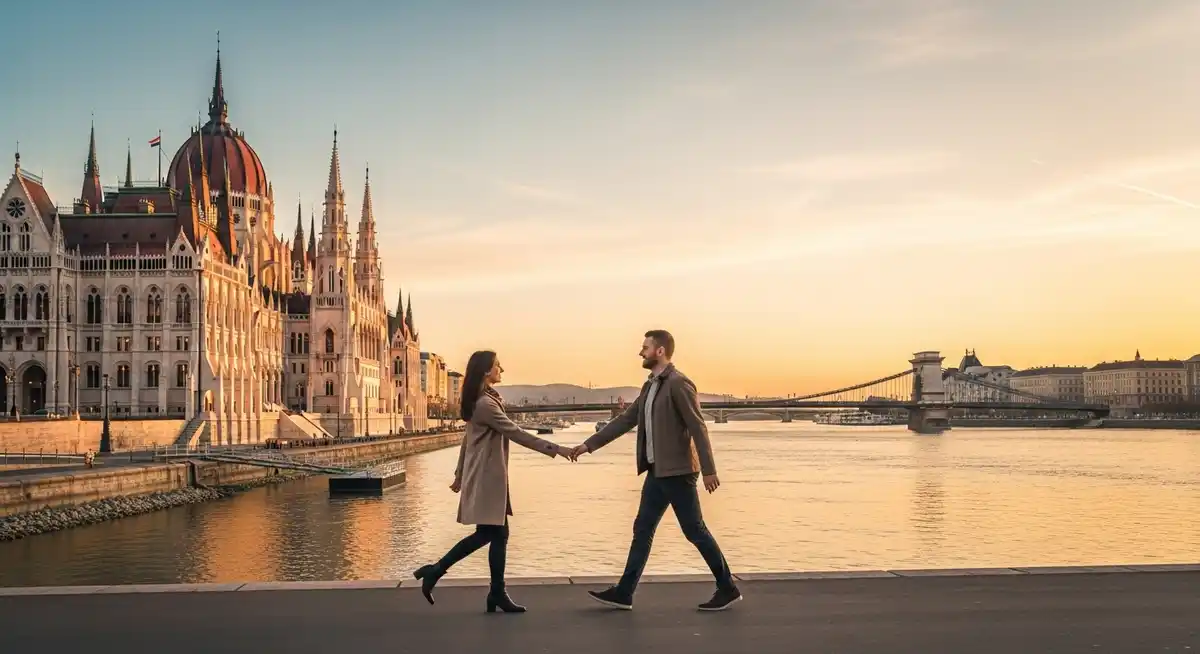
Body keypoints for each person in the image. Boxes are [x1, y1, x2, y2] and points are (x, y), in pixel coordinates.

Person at [570, 329, 741, 611]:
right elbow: (626, 420)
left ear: (659, 351)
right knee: (643, 528)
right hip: (657, 471)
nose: (641, 352)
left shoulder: (678, 383)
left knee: (694, 531)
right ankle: (625, 592)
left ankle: (727, 587)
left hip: (679, 472)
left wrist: (710, 470)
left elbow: (698, 426)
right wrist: (589, 445)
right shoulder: (650, 386)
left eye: (645, 347)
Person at [413, 350, 576, 613]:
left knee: (498, 533)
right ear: (487, 370)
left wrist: (459, 473)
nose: (502, 369)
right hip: (488, 477)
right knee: (490, 533)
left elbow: (468, 440)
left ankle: (494, 592)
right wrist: (558, 449)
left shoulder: (483, 399)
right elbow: (517, 433)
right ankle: (438, 571)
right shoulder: (485, 404)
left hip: (487, 474)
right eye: (498, 365)